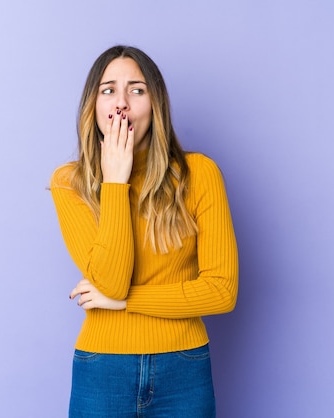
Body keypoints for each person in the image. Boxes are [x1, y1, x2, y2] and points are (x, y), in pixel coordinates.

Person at [49, 45, 238, 417]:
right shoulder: (69, 183)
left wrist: (123, 304)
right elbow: (111, 281)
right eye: (108, 90)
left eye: (137, 90)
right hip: (103, 370)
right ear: (93, 106)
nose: (122, 103)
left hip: (184, 369)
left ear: (156, 105)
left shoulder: (200, 174)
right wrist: (115, 181)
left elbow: (221, 292)